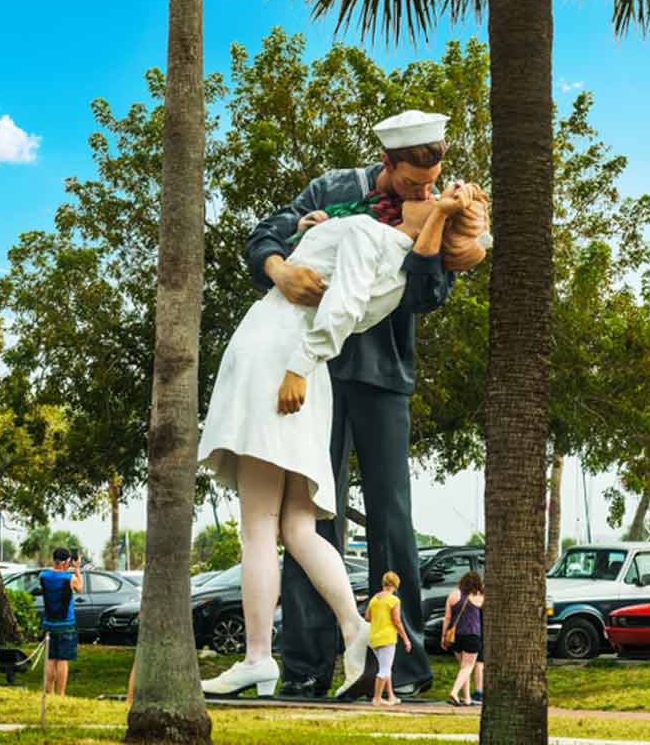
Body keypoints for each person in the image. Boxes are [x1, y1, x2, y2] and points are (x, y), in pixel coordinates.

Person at [200, 167, 490, 697]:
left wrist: (429, 238)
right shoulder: (334, 192)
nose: (423, 191)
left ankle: (394, 666)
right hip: (316, 370)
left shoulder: (414, 229)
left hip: (353, 369)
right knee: (305, 526)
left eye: (432, 186)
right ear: (391, 163)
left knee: (385, 518)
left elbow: (419, 294)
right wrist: (281, 268)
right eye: (416, 182)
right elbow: (267, 235)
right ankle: (307, 665)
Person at [40, 548, 83, 696]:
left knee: (51, 658)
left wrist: (66, 567)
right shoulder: (69, 578)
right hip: (66, 624)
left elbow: (54, 574)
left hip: (49, 623)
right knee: (63, 659)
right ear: (66, 562)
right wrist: (77, 569)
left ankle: (49, 692)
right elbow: (80, 589)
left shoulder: (43, 576)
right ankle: (61, 694)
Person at [366, 571, 412, 706]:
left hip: (374, 637)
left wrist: (379, 618)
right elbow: (397, 621)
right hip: (387, 637)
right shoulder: (394, 600)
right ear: (396, 584)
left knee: (386, 667)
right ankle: (377, 698)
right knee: (384, 670)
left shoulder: (374, 599)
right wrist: (406, 639)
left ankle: (391, 696)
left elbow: (367, 617)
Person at [440, 571, 484, 706]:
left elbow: (447, 618)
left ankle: (467, 698)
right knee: (468, 667)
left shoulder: (454, 594)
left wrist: (443, 636)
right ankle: (454, 691)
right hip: (472, 635)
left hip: (456, 636)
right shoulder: (478, 596)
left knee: (463, 668)